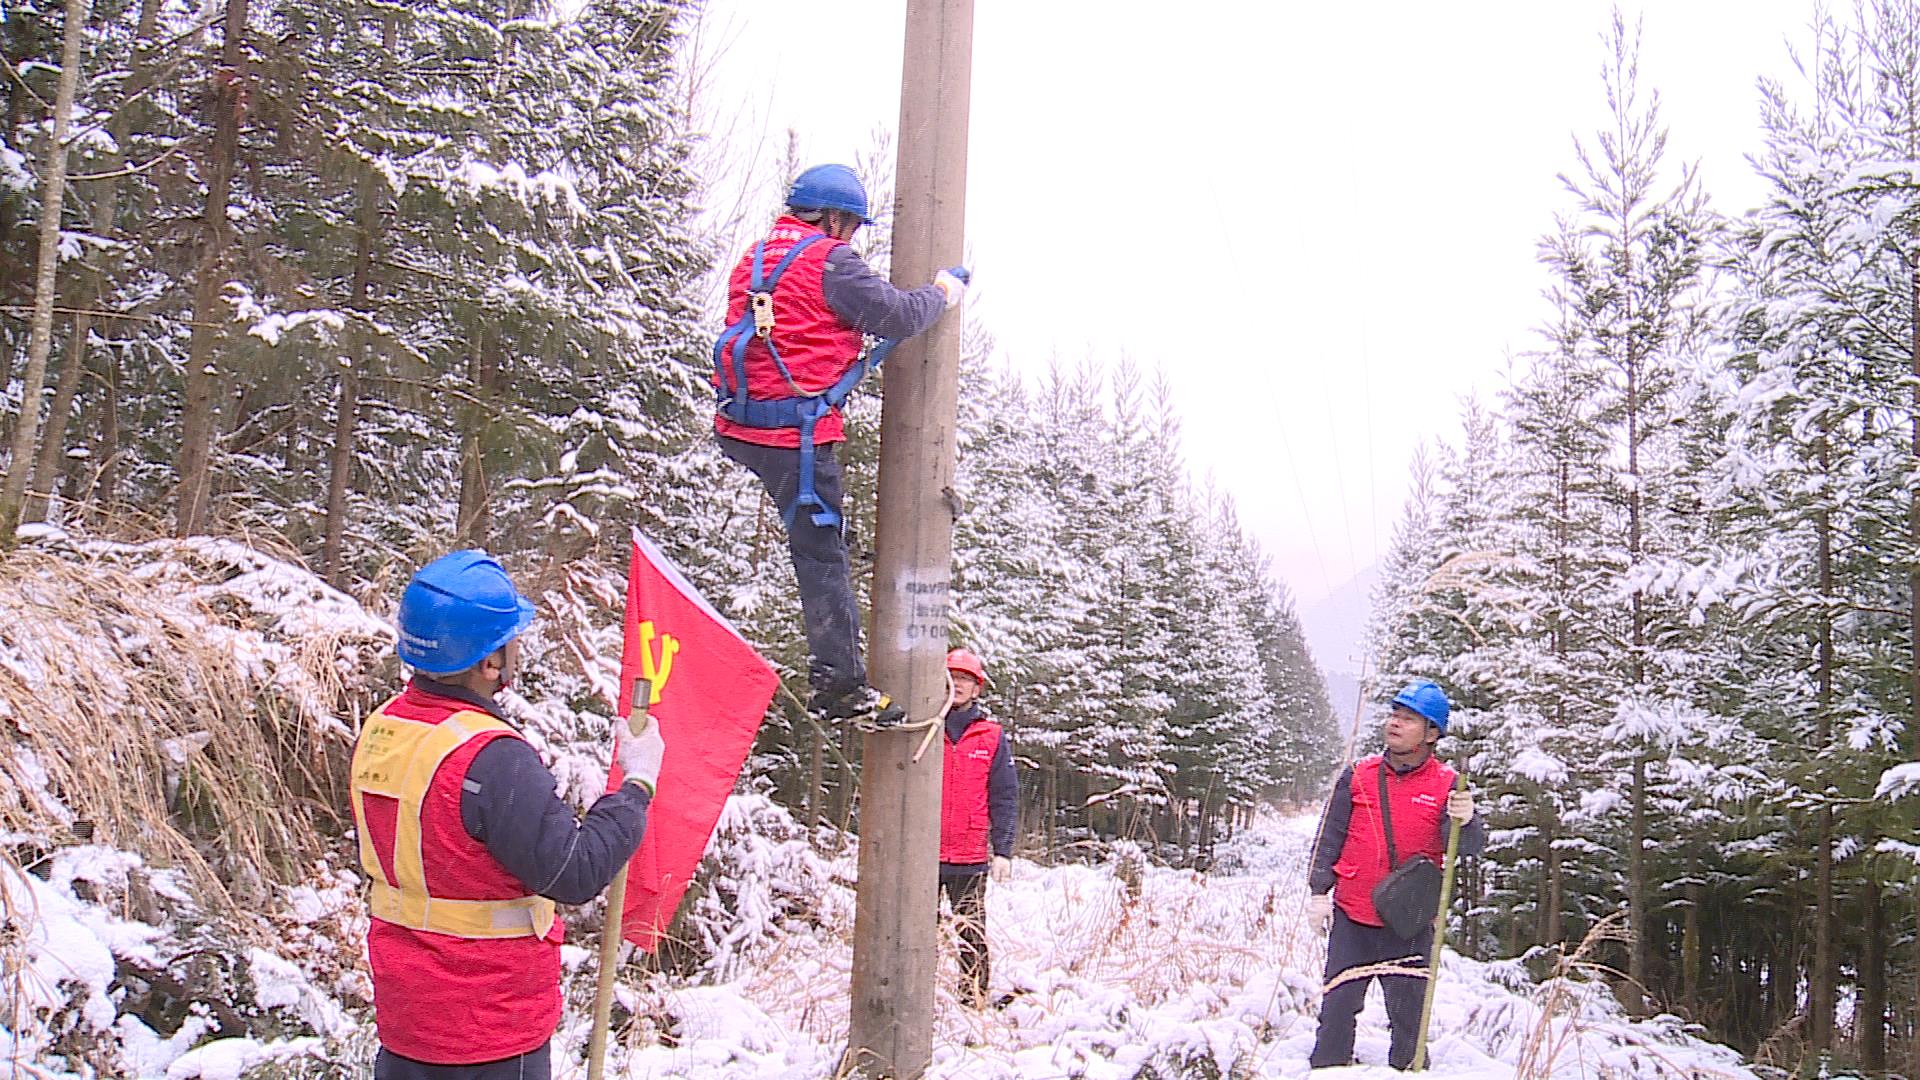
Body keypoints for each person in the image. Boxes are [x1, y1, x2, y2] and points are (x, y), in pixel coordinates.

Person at [350, 550, 666, 1080]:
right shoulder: (491, 757)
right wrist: (637, 785)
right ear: (488, 663)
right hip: (490, 1032)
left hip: (406, 1023)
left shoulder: (384, 729)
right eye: (510, 639)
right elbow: (576, 871)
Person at [713, 162, 968, 729]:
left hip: (744, 426)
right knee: (821, 558)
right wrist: (942, 293)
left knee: (820, 545)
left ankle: (840, 668)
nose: (851, 237)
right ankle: (841, 685)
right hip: (793, 437)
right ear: (831, 218)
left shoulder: (755, 256)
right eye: (850, 225)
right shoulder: (830, 260)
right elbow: (895, 314)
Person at [1306, 679, 1483, 1071]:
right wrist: (1320, 891)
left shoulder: (1448, 787)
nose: (1395, 724)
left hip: (1409, 924)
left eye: (1408, 718)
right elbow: (1329, 836)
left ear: (1432, 733)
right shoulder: (1358, 775)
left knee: (1409, 1027)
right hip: (1353, 917)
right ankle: (1328, 1069)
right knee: (1336, 1014)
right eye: (1394, 715)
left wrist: (1467, 821)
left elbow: (1467, 849)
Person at [937, 647, 1018, 1008]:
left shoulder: (991, 736)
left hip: (969, 858)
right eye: (951, 676)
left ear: (977, 688)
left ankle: (972, 999)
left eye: (965, 679)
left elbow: (1004, 796)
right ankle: (918, 998)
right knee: (916, 933)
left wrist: (1002, 850)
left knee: (970, 932)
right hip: (924, 853)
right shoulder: (924, 726)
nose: (957, 684)